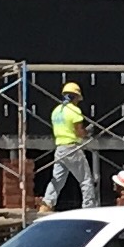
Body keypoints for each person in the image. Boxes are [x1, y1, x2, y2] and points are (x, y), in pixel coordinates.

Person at [40, 81, 97, 212]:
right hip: (72, 148)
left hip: (60, 149)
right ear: (76, 97)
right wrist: (88, 132)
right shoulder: (74, 110)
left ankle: (46, 204)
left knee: (58, 179)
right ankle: (89, 207)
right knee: (86, 179)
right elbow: (79, 132)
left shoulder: (56, 111)